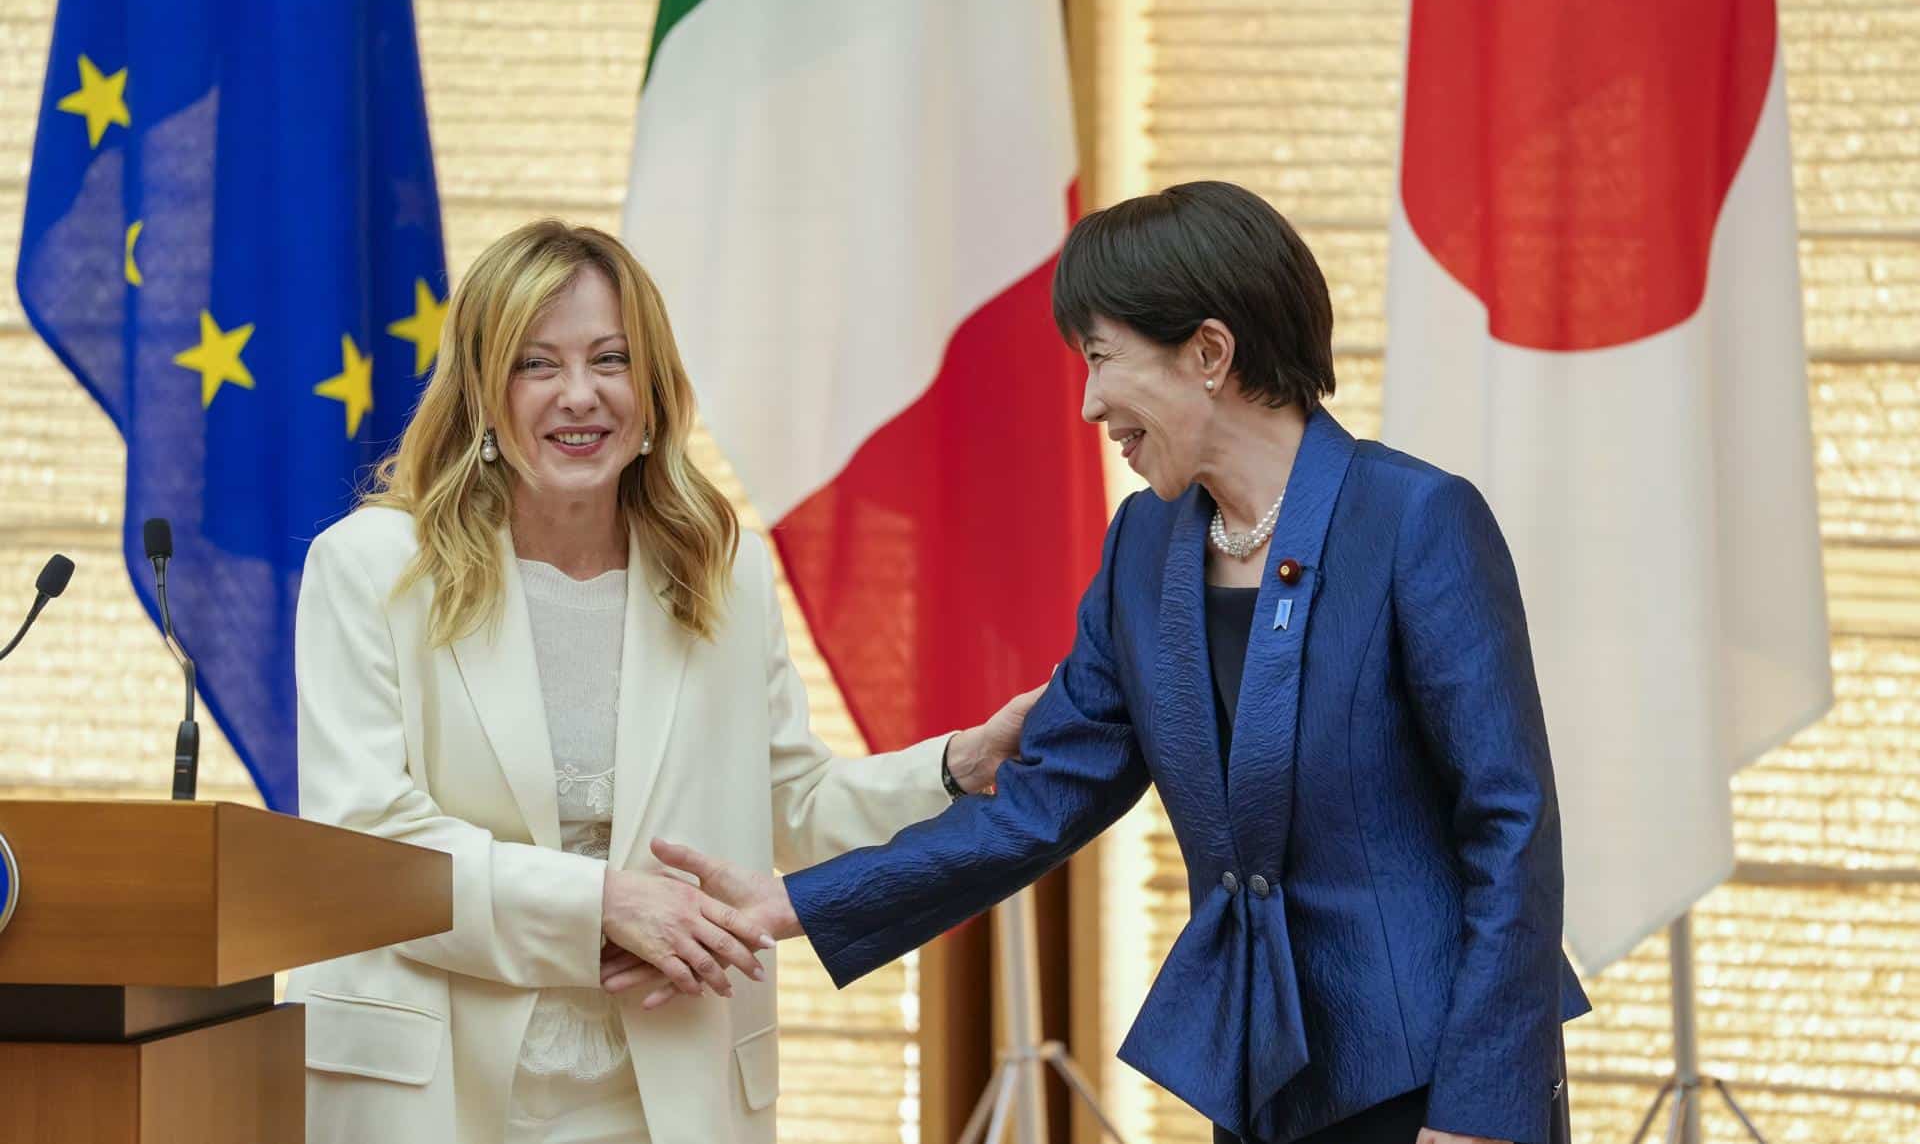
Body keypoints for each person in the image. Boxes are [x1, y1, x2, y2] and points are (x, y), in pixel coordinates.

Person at [639, 182, 1591, 1144]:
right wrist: (788, 904)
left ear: (1210, 353)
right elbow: (1036, 806)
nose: (1091, 403)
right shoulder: (1146, 545)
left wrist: (1482, 1113)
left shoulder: (1416, 520)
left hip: (1434, 1081)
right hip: (1267, 1071)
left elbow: (1511, 829)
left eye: (1101, 359)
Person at [288, 220, 1037, 1144]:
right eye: (535, 364)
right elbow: (368, 846)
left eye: (611, 359)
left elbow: (793, 804)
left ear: (651, 392)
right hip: (436, 1092)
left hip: (669, 1092)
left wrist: (959, 764)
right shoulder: (368, 567)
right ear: (483, 393)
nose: (580, 395)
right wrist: (604, 904)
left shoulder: (723, 572)